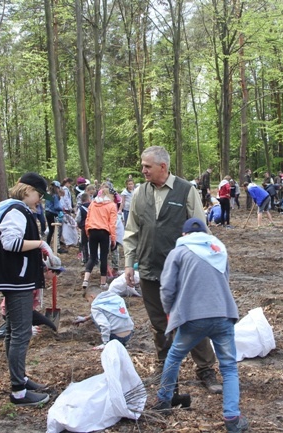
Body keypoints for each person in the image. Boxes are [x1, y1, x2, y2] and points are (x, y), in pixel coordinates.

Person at [123, 146, 222, 394]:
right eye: (143, 165)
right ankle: (165, 367)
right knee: (159, 324)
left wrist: (205, 264)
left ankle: (205, 369)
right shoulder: (139, 193)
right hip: (148, 268)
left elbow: (201, 231)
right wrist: (128, 263)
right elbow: (131, 231)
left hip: (182, 271)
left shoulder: (186, 190)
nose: (143, 170)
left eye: (147, 166)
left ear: (163, 167)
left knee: (192, 319)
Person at [151, 218, 248, 433]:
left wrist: (169, 310)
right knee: (229, 367)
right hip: (223, 314)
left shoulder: (178, 252)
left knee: (174, 357)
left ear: (184, 235)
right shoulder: (218, 248)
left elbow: (167, 288)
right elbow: (226, 279)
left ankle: (163, 401)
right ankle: (232, 419)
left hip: (193, 317)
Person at [0, 172, 61, 407]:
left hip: (19, 278)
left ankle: (19, 378)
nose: (40, 199)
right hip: (16, 281)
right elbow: (10, 243)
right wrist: (41, 244)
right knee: (21, 333)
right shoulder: (15, 212)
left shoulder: (21, 211)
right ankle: (18, 391)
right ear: (26, 190)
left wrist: (42, 260)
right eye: (38, 194)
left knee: (13, 332)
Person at [82, 184, 118, 289]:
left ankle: (85, 280)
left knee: (92, 257)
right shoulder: (111, 205)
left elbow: (87, 219)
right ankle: (102, 283)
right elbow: (112, 224)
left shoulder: (93, 203)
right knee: (103, 257)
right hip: (104, 232)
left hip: (92, 231)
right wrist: (113, 239)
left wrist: (88, 231)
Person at [78, 286, 134, 350]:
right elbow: (111, 312)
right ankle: (123, 344)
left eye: (87, 300)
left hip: (116, 337)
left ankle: (108, 342)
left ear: (92, 296)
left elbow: (104, 325)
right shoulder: (116, 298)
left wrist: (106, 343)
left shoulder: (95, 307)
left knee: (95, 316)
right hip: (129, 335)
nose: (88, 303)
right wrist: (85, 318)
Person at [44, 181, 65, 252]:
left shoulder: (48, 195)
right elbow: (56, 206)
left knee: (51, 230)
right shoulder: (55, 195)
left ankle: (47, 245)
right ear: (57, 188)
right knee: (57, 231)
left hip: (47, 213)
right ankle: (57, 248)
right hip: (53, 214)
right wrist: (62, 208)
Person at [75, 192, 91, 265]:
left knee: (84, 243)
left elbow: (78, 218)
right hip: (92, 226)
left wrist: (78, 224)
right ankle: (94, 259)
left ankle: (85, 259)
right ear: (88, 199)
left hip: (84, 227)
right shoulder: (92, 207)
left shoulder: (80, 208)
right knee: (92, 243)